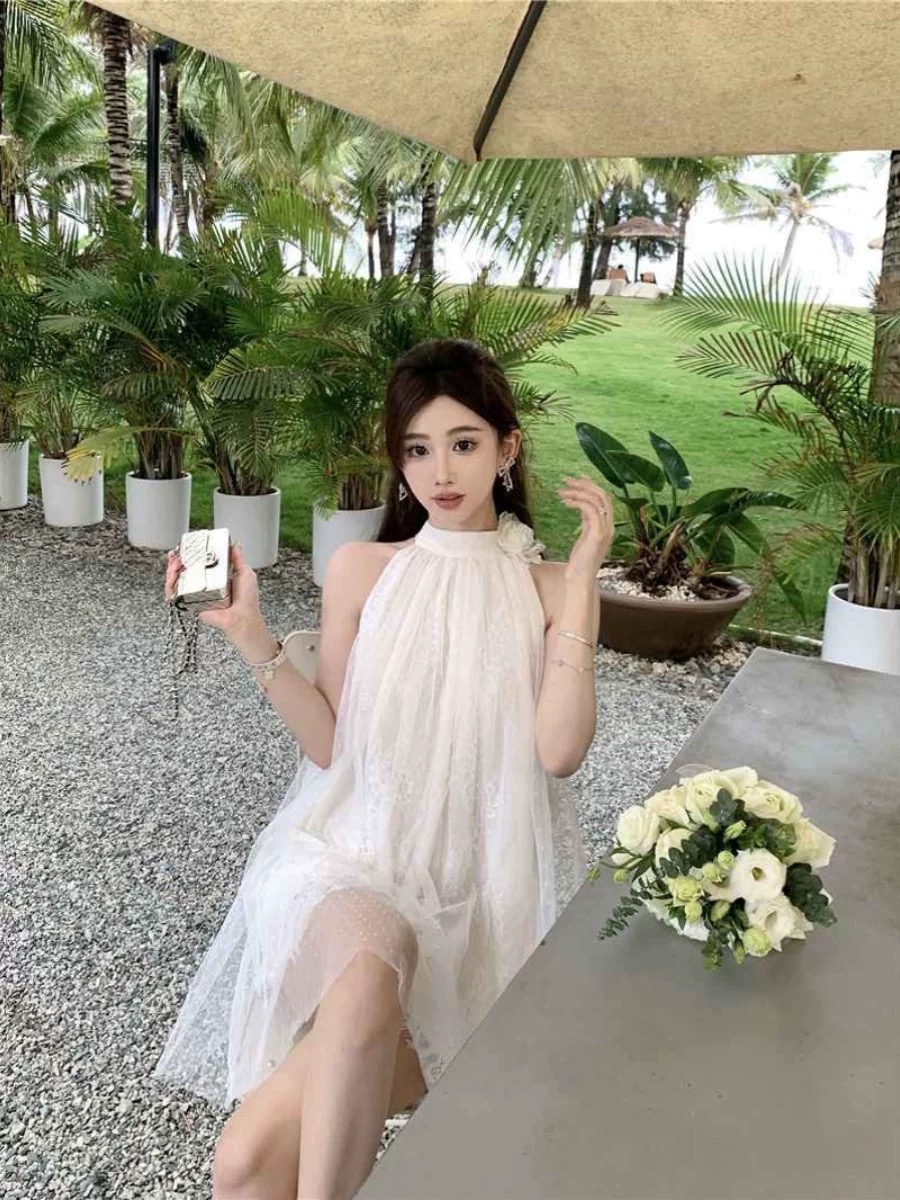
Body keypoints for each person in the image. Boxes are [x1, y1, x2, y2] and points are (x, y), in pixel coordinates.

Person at [159, 337, 615, 1200]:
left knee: (246, 1166)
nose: (439, 471)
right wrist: (250, 633)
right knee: (373, 960)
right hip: (348, 862)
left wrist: (584, 579)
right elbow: (331, 746)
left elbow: (559, 752)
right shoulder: (364, 569)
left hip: (480, 912)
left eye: (463, 443)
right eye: (417, 448)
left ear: (508, 448)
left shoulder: (551, 589)